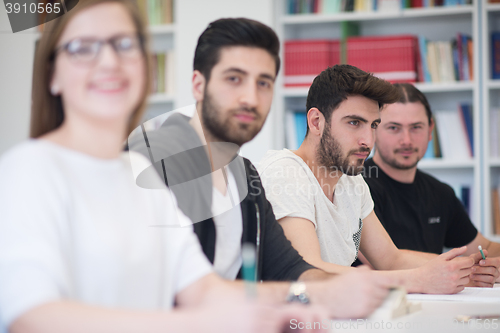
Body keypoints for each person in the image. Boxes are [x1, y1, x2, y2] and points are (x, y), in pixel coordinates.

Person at [0, 1, 325, 332]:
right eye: (83, 48)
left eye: (125, 45)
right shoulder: (28, 170)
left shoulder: (138, 176)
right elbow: (31, 317)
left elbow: (204, 290)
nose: (110, 61)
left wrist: (296, 303)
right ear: (52, 74)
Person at [128, 18, 396, 318]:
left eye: (263, 83)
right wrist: (317, 293)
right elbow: (180, 295)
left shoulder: (245, 176)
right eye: (234, 79)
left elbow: (290, 268)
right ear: (198, 85)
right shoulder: (151, 167)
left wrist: (348, 289)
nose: (251, 98)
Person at [257, 64, 487, 294]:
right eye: (354, 123)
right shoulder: (284, 173)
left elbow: (390, 259)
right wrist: (417, 280)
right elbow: (306, 269)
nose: (368, 140)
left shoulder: (351, 181)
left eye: (374, 125)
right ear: (316, 122)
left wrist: (466, 271)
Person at [362, 82, 500, 286]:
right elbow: (384, 261)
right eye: (394, 128)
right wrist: (467, 267)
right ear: (373, 130)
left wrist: (492, 263)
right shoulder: (356, 186)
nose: (406, 140)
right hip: (380, 309)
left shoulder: (440, 192)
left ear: (430, 130)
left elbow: (483, 247)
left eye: (416, 127)